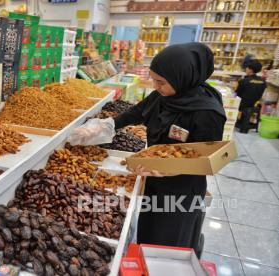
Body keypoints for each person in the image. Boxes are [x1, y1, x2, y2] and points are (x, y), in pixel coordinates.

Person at [68, 42, 226, 254]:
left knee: (169, 244)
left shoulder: (207, 112)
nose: (155, 86)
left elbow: (207, 157)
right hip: (154, 179)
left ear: (183, 77)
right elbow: (136, 113)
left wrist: (172, 169)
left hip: (181, 190)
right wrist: (105, 126)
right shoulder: (164, 96)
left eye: (160, 82)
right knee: (148, 232)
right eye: (153, 79)